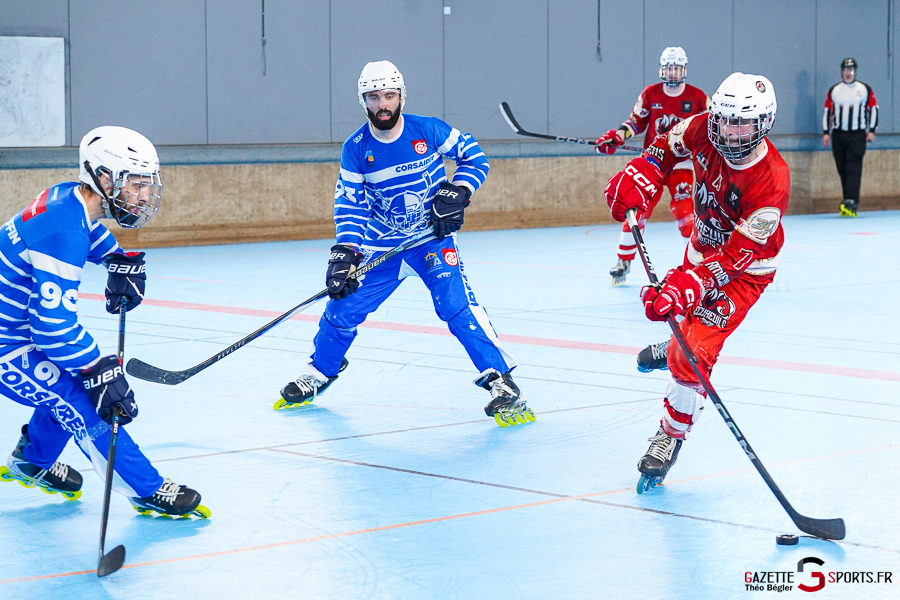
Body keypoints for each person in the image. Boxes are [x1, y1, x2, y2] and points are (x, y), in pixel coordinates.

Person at [275, 60, 532, 428]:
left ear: (401, 96)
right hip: (383, 248)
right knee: (342, 307)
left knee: (456, 306)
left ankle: (501, 381)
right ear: (362, 101)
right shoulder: (356, 148)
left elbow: (474, 157)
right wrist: (345, 253)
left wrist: (459, 190)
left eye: (389, 95)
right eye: (373, 97)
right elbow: (351, 205)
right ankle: (321, 372)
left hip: (430, 241)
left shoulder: (427, 130)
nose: (382, 104)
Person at [0, 126, 208, 518]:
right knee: (87, 403)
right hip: (7, 344)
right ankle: (146, 490)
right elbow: (53, 328)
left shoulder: (69, 197)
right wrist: (99, 369)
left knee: (72, 386)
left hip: (17, 330)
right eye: (137, 185)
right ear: (105, 179)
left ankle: (31, 461)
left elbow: (90, 232)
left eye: (146, 185)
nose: (144, 196)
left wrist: (118, 260)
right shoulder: (63, 231)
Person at [604, 73, 789, 491]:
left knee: (694, 354)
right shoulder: (704, 126)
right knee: (684, 333)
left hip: (746, 271)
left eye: (742, 123)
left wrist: (686, 285)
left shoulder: (772, 180)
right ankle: (676, 345)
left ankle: (670, 435)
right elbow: (664, 147)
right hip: (701, 248)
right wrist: (641, 174)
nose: (729, 131)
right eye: (724, 120)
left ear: (764, 123)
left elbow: (738, 256)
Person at [595, 47, 710, 286]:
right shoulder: (650, 94)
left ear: (684, 69)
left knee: (684, 211)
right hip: (653, 163)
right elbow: (635, 121)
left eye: (677, 68)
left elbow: (711, 126)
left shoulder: (698, 97)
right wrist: (618, 136)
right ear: (662, 69)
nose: (672, 73)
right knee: (636, 209)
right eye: (669, 68)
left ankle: (699, 264)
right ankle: (623, 261)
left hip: (682, 164)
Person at [823, 57, 878, 218]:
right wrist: (826, 132)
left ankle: (852, 201)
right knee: (842, 168)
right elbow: (827, 112)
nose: (848, 73)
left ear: (855, 72)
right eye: (846, 70)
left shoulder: (864, 89)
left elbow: (873, 109)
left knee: (853, 167)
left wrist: (871, 130)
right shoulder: (835, 90)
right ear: (842, 72)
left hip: (857, 135)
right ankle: (847, 199)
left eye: (851, 70)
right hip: (839, 134)